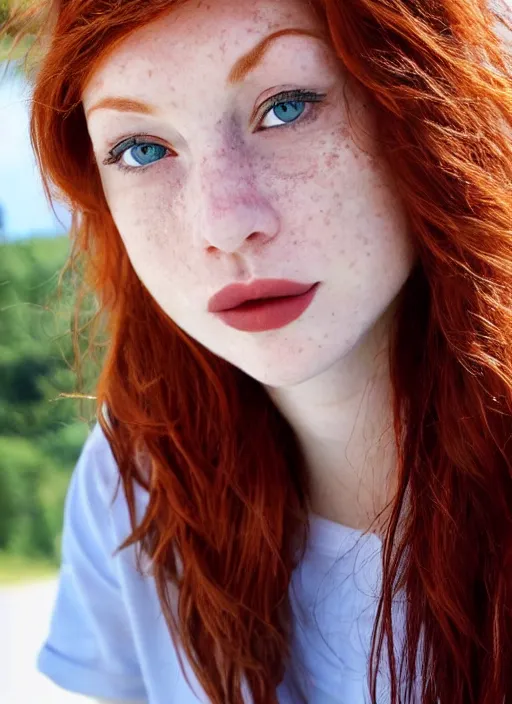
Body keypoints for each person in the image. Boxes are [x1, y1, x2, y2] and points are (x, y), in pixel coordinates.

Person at [4, 0, 512, 701]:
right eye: (142, 149)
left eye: (288, 107)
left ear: (423, 101)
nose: (225, 222)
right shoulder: (139, 482)